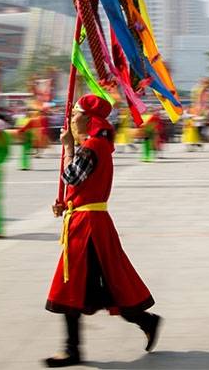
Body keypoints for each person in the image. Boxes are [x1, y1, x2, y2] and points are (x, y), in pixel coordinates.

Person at [44, 95, 160, 367]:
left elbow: (71, 176)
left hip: (88, 228)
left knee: (71, 283)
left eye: (74, 114)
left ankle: (72, 350)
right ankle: (145, 321)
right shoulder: (97, 146)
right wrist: (66, 203)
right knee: (101, 285)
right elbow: (80, 186)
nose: (70, 119)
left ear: (88, 119)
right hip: (85, 221)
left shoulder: (92, 147)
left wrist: (69, 148)